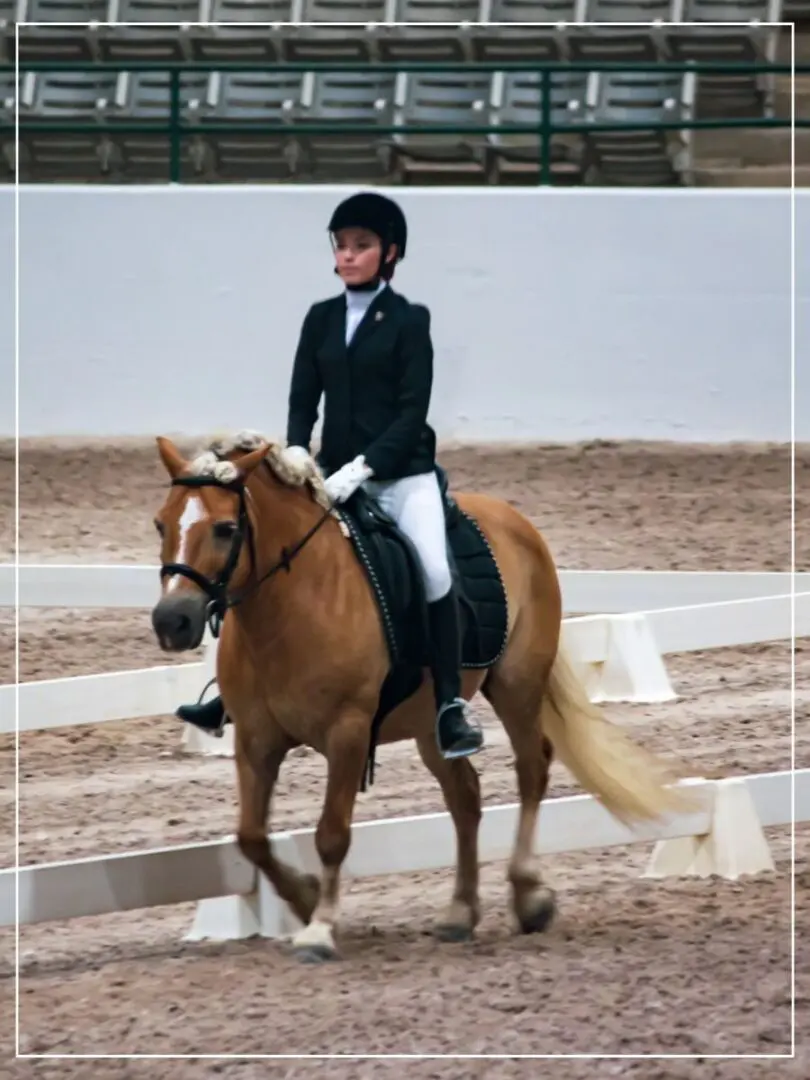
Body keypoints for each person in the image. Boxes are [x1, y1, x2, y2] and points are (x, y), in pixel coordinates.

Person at [176, 191, 484, 761]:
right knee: (266, 557)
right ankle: (229, 693)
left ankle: (448, 705)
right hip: (325, 471)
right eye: (341, 246)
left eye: (361, 246)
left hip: (400, 474)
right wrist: (297, 453)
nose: (347, 256)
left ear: (389, 254)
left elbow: (411, 412)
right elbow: (302, 398)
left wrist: (363, 469)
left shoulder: (410, 322)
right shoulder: (320, 318)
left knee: (435, 571)